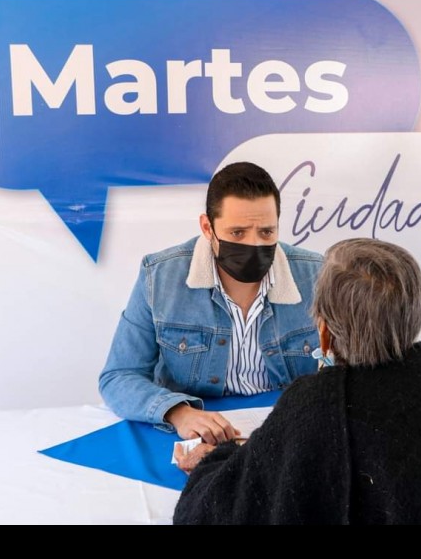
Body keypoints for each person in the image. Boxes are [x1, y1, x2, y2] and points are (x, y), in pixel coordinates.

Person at [173, 238, 421, 525]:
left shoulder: (315, 403)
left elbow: (218, 510)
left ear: (324, 330)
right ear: (415, 315)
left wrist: (212, 462)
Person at [99, 162, 323, 444]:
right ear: (207, 227)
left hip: (289, 432)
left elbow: (350, 368)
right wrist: (179, 413)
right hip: (194, 435)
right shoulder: (159, 276)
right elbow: (119, 376)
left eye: (266, 232)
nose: (254, 245)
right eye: (238, 233)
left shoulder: (318, 275)